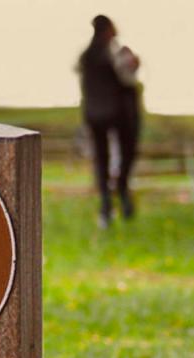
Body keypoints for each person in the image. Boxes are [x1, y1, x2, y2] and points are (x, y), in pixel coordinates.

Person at [77, 15, 141, 228]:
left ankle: (106, 204)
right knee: (127, 152)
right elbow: (128, 79)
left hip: (94, 114)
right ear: (108, 30)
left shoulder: (85, 56)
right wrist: (134, 65)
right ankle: (122, 193)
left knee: (101, 159)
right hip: (118, 113)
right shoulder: (114, 52)